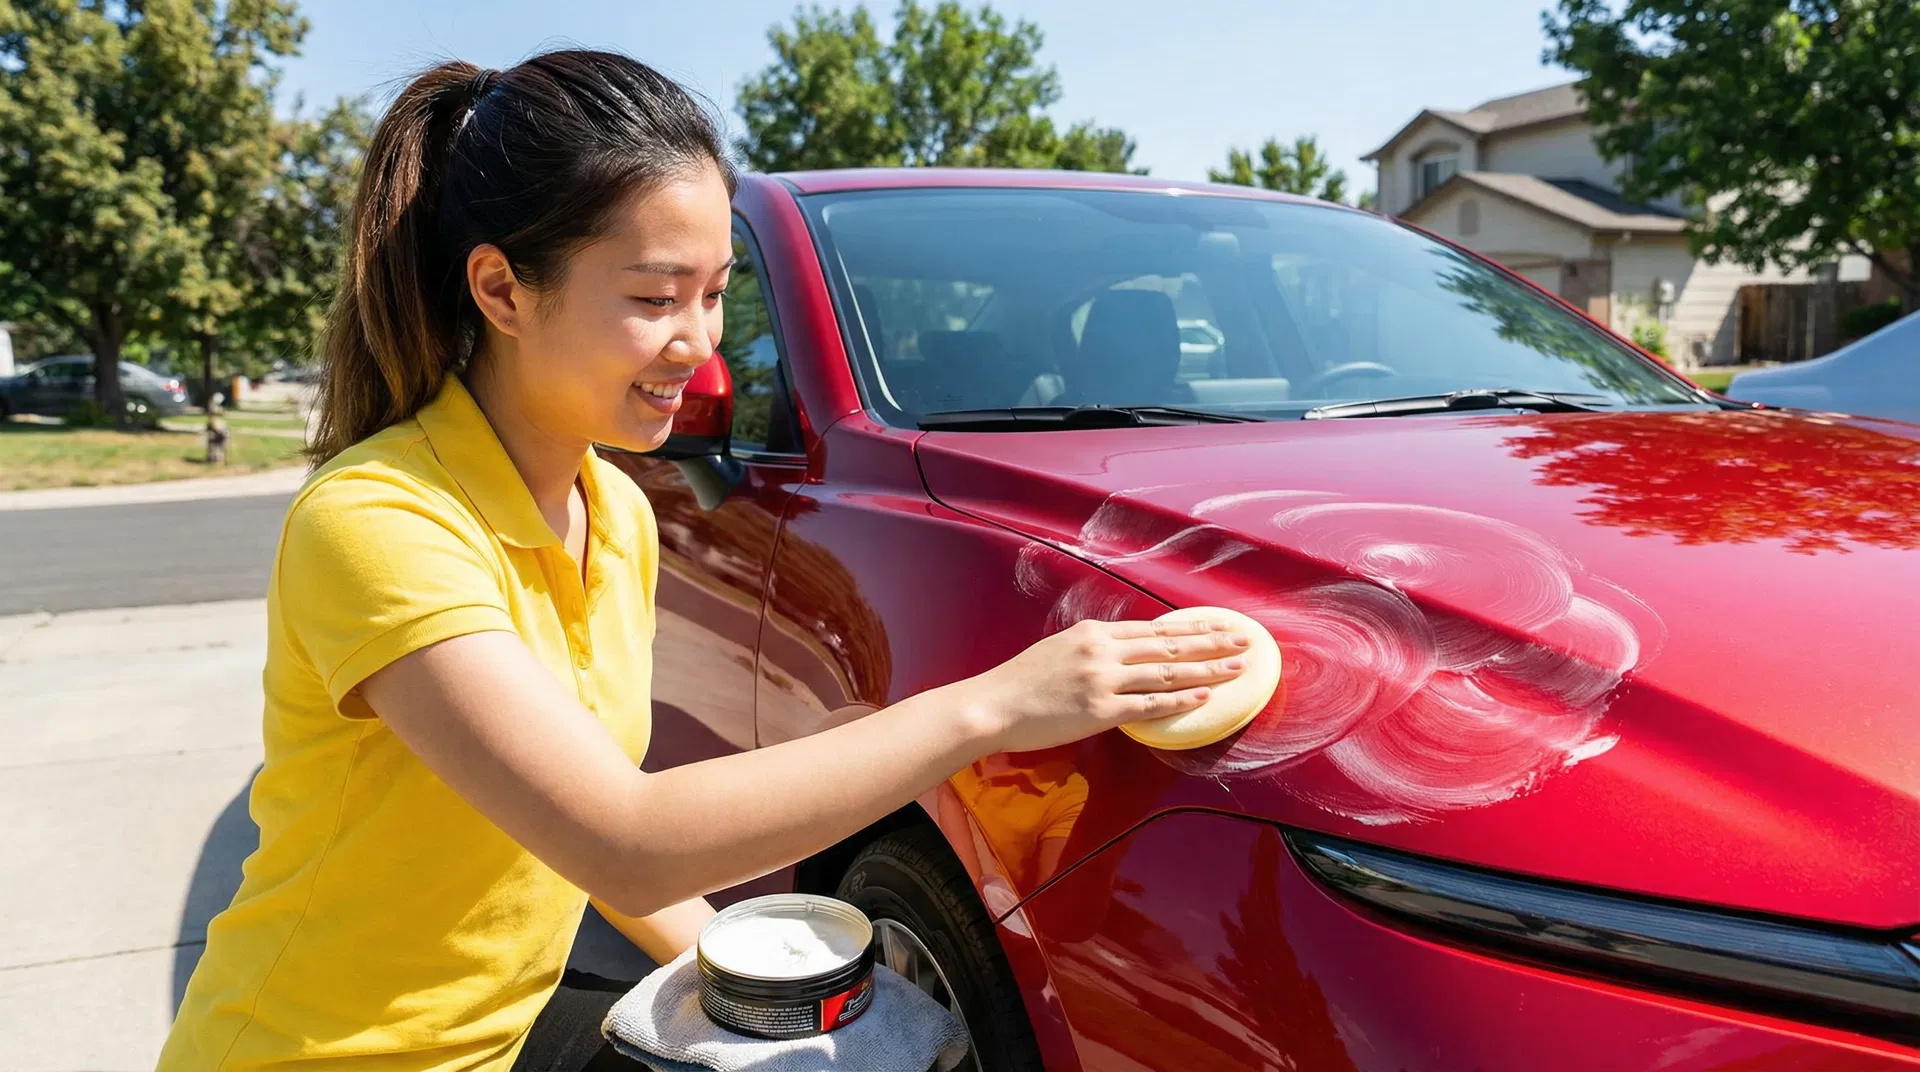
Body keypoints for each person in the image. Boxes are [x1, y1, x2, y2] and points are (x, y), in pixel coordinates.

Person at [158, 50, 1250, 1072]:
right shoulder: (379, 522)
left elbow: (588, 829)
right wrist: (995, 707)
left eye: (717, 292)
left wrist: (767, 986)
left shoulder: (616, 514)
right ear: (501, 291)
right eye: (654, 298)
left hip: (503, 1031)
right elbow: (623, 841)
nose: (701, 343)